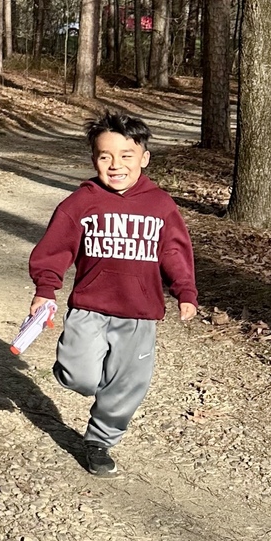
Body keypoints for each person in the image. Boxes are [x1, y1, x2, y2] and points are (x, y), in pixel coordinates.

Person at [28, 110, 198, 477]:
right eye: (105, 157)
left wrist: (185, 291)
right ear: (94, 160)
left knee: (127, 385)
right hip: (90, 308)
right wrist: (45, 289)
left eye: (126, 156)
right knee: (81, 378)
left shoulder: (160, 205)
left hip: (140, 314)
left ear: (144, 159)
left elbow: (174, 252)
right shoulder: (82, 202)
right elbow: (56, 248)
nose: (116, 165)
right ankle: (81, 371)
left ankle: (99, 442)